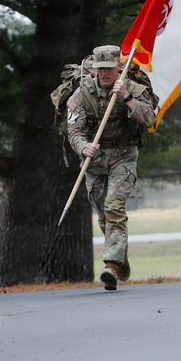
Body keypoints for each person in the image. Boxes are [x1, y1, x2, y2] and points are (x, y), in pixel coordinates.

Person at [66, 45, 157, 291]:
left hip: (123, 156)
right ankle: (120, 259)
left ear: (119, 66)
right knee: (104, 215)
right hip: (94, 161)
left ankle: (111, 265)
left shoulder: (135, 90)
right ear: (94, 68)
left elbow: (150, 120)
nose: (104, 73)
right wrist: (83, 147)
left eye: (109, 68)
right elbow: (74, 129)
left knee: (113, 207)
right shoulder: (82, 93)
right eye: (100, 69)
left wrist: (127, 97)